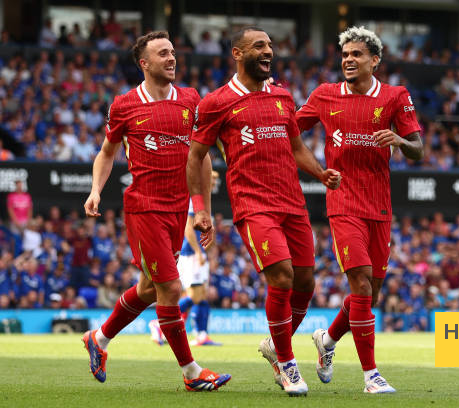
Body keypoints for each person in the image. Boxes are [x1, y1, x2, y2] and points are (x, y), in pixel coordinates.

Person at [186, 26, 340, 396]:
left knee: (306, 282)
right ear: (238, 54)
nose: (268, 51)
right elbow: (195, 156)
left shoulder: (284, 97)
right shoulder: (216, 102)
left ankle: (274, 345)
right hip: (253, 205)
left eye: (270, 45)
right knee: (282, 277)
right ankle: (288, 364)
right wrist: (200, 209)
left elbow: (296, 146)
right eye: (259, 46)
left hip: (293, 202)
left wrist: (320, 171)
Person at [81, 31, 230, 391]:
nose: (171, 58)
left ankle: (98, 339)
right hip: (144, 207)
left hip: (179, 208)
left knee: (149, 288)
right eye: (162, 53)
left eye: (173, 52)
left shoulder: (191, 100)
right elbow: (106, 151)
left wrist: (202, 209)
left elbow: (202, 157)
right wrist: (95, 190)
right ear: (144, 63)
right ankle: (193, 374)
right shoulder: (125, 105)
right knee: (171, 287)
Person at [296, 26, 424, 394]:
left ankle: (328, 339)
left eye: (357, 55)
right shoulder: (324, 95)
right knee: (362, 283)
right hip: (343, 202)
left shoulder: (396, 96)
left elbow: (418, 149)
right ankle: (371, 375)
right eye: (345, 54)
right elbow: (290, 131)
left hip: (379, 206)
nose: (349, 60)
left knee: (372, 294)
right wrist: (318, 170)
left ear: (375, 60)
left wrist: (399, 140)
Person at [149, 171, 221, 347]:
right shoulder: (194, 199)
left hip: (200, 253)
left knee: (202, 295)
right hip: (190, 253)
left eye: (215, 180)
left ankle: (202, 335)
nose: (214, 182)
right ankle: (158, 323)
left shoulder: (205, 200)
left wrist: (209, 253)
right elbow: (188, 228)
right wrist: (197, 251)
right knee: (195, 295)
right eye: (211, 179)